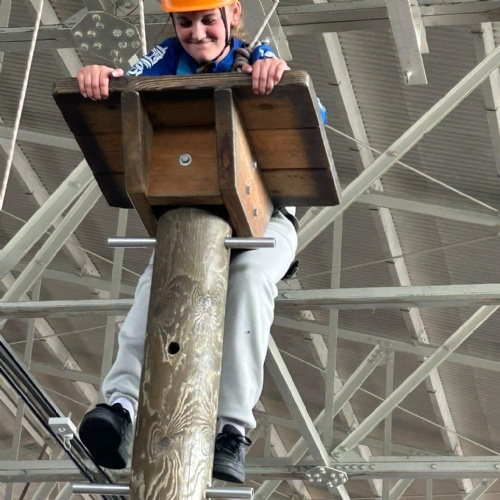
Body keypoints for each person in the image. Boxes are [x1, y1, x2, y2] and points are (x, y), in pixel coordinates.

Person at [77, 0, 300, 484]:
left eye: (207, 20)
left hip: (266, 221)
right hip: (193, 213)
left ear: (232, 15)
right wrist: (101, 79)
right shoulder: (164, 61)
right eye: (185, 22)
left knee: (250, 282)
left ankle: (231, 430)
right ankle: (121, 407)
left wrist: (276, 76)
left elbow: (308, 114)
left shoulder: (256, 56)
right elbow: (124, 83)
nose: (197, 33)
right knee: (158, 286)